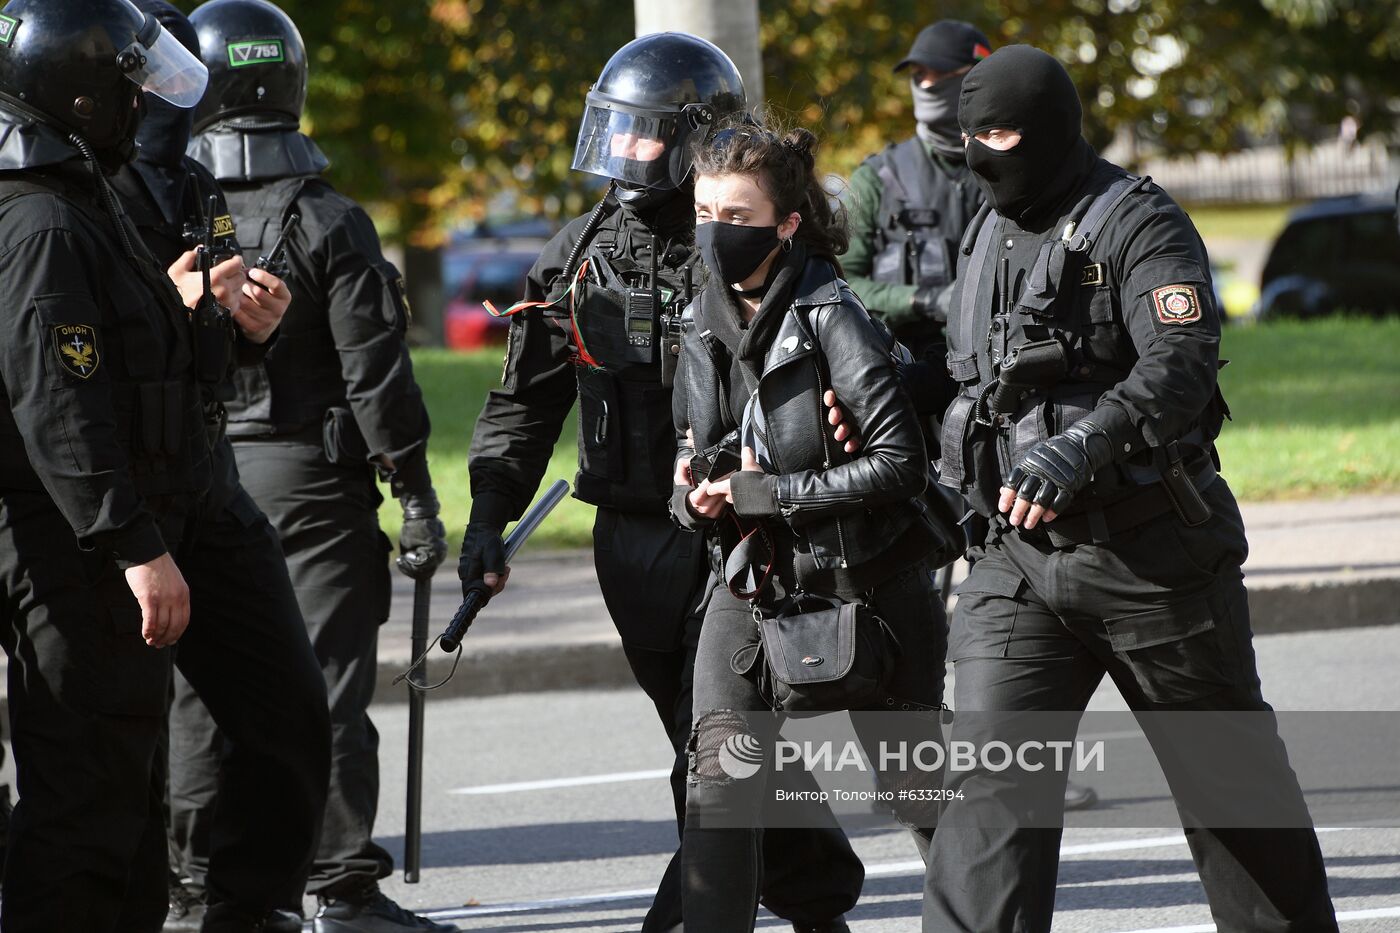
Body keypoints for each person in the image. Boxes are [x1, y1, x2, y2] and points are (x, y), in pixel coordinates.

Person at [923, 45, 1339, 932]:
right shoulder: (985, 228)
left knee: (1233, 796)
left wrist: (1083, 446)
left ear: (1053, 128)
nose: (982, 154)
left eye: (1000, 133)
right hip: (1016, 561)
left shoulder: (1137, 223)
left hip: (1150, 554)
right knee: (989, 796)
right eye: (969, 138)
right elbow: (967, 375)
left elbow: (1181, 361)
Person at [463, 33, 863, 933]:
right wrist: (488, 518)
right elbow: (523, 405)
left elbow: (837, 370)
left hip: (738, 536)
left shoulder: (753, 246)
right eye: (621, 133)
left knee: (715, 749)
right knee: (724, 746)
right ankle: (818, 899)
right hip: (629, 539)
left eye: (651, 137)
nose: (632, 154)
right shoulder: (577, 251)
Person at [181, 2, 450, 930]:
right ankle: (339, 884)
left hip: (197, 476)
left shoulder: (162, 209)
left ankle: (191, 883)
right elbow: (377, 376)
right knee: (327, 684)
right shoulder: (332, 220)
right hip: (310, 484)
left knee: (196, 687)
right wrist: (415, 498)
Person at [106, 3, 335, 930]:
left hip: (208, 478)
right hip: (115, 499)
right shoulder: (67, 193)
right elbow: (65, 369)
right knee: (118, 749)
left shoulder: (196, 179)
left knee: (289, 712)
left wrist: (248, 327)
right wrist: (173, 303)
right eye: (150, 73)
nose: (167, 95)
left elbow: (204, 353)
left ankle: (255, 905)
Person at [0, 1, 211, 928]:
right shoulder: (43, 220)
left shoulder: (77, 197)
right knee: (84, 807)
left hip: (98, 544)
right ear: (77, 93)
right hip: (77, 553)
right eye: (126, 85)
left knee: (122, 797)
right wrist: (135, 546)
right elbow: (61, 403)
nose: (139, 103)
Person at [841, 20, 989, 367]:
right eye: (918, 74)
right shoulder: (879, 177)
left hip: (996, 370)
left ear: (975, 79)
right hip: (908, 374)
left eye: (937, 72)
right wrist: (925, 300)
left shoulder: (1011, 170)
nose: (924, 84)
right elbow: (841, 282)